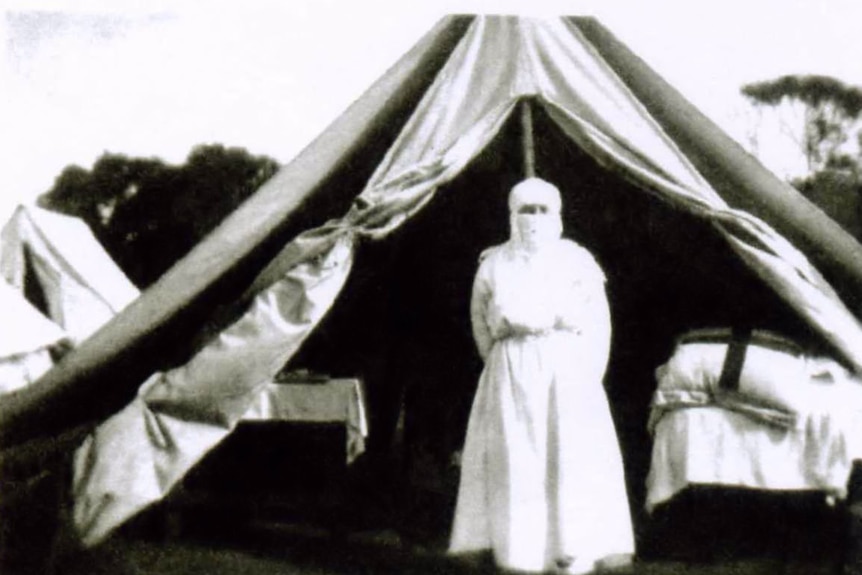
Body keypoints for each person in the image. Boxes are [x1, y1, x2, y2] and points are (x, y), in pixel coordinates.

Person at [449, 177, 634, 574]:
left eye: (542, 210)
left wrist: (585, 378)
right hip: (510, 376)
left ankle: (570, 552)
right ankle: (519, 554)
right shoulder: (493, 264)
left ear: (558, 215)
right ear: (512, 215)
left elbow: (599, 325)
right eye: (525, 210)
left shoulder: (579, 262)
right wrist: (504, 363)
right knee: (516, 463)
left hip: (566, 374)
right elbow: (480, 323)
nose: (533, 219)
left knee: (567, 460)